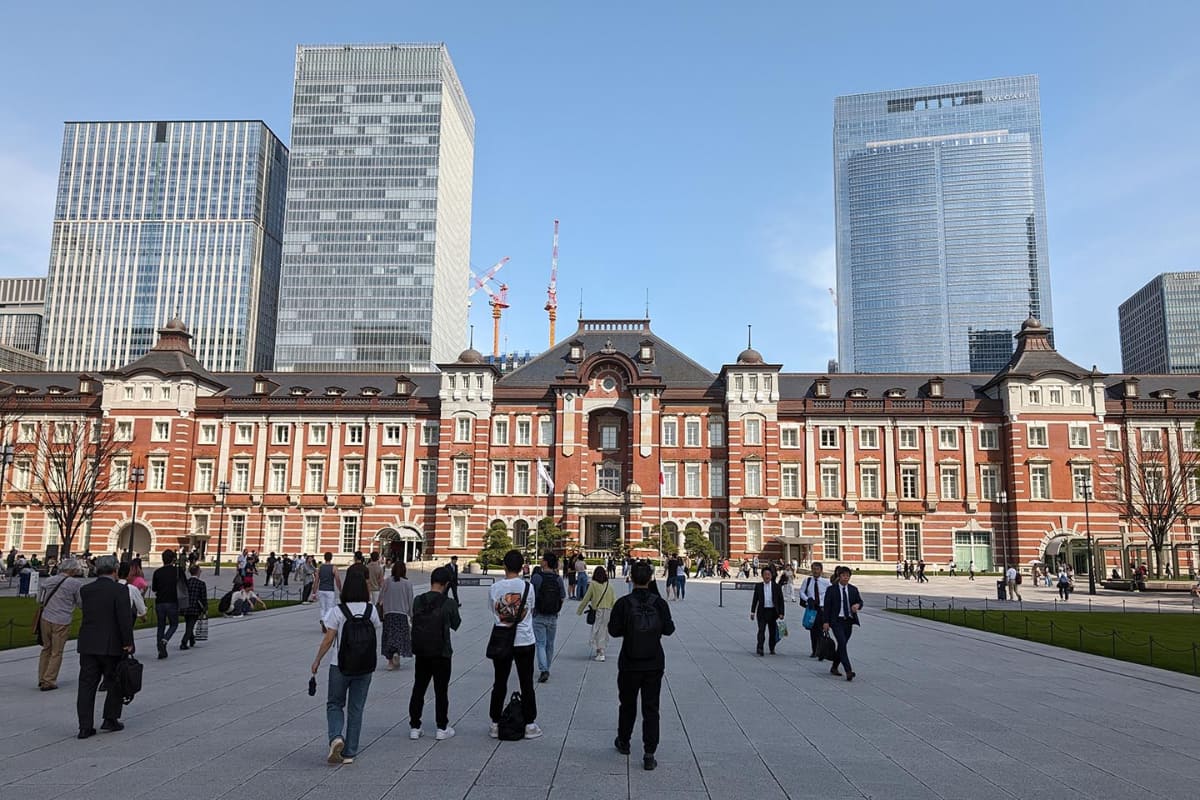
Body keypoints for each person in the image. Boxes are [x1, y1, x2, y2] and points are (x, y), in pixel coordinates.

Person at [608, 561, 674, 771]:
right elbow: (669, 630)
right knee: (651, 707)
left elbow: (614, 631)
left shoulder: (623, 603)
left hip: (629, 661)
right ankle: (649, 752)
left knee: (627, 704)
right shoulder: (660, 603)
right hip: (654, 662)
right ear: (650, 578)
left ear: (631, 578)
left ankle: (624, 741)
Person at [311, 569, 381, 764]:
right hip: (365, 666)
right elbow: (374, 630)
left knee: (334, 704)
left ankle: (336, 738)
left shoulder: (337, 611)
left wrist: (317, 660)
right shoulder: (371, 610)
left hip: (339, 664)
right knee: (356, 708)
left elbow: (328, 639)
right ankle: (350, 752)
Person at [76, 556, 135, 738]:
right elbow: (124, 620)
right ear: (115, 570)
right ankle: (110, 719)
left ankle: (85, 726)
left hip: (88, 643)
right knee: (114, 682)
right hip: (112, 644)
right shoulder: (120, 590)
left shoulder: (86, 589)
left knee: (86, 685)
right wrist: (128, 643)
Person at [487, 549, 541, 739]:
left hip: (502, 640)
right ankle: (529, 725)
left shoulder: (495, 588)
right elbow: (531, 610)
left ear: (504, 566)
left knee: (499, 681)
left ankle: (495, 723)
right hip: (525, 640)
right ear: (522, 567)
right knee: (526, 682)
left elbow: (494, 612)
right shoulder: (528, 587)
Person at [408, 566, 462, 741]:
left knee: (419, 687)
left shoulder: (418, 600)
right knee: (441, 690)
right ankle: (441, 727)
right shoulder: (449, 603)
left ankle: (415, 726)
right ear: (446, 584)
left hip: (422, 651)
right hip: (442, 652)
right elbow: (456, 624)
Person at [36, 558, 84, 691]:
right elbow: (80, 603)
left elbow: (39, 599)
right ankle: (49, 680)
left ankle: (42, 677)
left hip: (45, 618)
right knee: (57, 652)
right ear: (72, 569)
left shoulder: (48, 580)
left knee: (46, 648)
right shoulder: (75, 584)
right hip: (62, 620)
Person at [822, 566, 863, 681]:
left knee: (842, 645)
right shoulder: (831, 589)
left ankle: (834, 667)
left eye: (848, 576)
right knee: (842, 642)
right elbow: (827, 607)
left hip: (848, 621)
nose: (846, 578)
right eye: (844, 575)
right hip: (836, 621)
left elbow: (860, 601)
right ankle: (848, 670)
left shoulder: (853, 589)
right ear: (839, 576)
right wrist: (826, 622)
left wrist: (857, 605)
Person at [531, 551, 566, 683]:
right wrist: (557, 610)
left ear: (545, 562)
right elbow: (562, 597)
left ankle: (543, 669)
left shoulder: (536, 577)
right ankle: (547, 668)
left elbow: (531, 596)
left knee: (540, 643)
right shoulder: (558, 579)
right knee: (550, 644)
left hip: (539, 614)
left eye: (542, 559)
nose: (541, 560)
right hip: (553, 616)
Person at [379, 561, 414, 669]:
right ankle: (397, 653)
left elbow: (381, 597)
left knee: (389, 637)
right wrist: (411, 615)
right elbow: (410, 600)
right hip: (402, 614)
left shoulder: (387, 581)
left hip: (389, 614)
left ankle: (390, 662)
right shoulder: (407, 583)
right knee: (399, 637)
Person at [577, 565, 616, 661]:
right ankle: (600, 650)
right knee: (603, 630)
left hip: (598, 610)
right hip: (608, 610)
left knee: (597, 630)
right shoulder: (609, 585)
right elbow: (614, 600)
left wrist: (580, 610)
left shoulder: (593, 584)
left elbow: (586, 598)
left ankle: (600, 651)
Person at [150, 550, 183, 660]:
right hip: (172, 601)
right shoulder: (177, 571)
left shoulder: (157, 572)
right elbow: (183, 585)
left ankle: (160, 649)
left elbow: (154, 588)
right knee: (174, 624)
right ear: (173, 559)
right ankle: (164, 640)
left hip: (160, 601)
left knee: (161, 625)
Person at [799, 562, 832, 660]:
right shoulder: (807, 581)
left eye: (817, 569)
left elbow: (831, 593)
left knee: (821, 630)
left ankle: (821, 650)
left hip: (822, 608)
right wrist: (807, 599)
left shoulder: (826, 582)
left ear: (821, 570)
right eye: (814, 569)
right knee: (813, 630)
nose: (815, 571)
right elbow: (801, 592)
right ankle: (814, 650)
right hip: (812, 608)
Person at [750, 566, 785, 656]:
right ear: (762, 576)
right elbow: (755, 600)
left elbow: (781, 600)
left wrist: (781, 613)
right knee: (761, 630)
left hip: (773, 612)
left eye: (769, 574)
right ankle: (760, 647)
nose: (767, 576)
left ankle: (772, 648)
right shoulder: (758, 586)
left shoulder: (776, 587)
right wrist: (752, 612)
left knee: (772, 631)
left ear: (771, 575)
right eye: (765, 574)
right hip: (762, 612)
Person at [181, 564, 208, 649]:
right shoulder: (201, 584)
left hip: (186, 606)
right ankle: (184, 642)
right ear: (197, 572)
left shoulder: (187, 582)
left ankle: (192, 639)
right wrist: (205, 608)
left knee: (189, 624)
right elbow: (203, 597)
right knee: (190, 625)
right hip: (195, 607)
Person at [317, 553, 342, 629]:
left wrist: (314, 591)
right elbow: (337, 579)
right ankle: (325, 621)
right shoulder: (334, 568)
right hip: (330, 590)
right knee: (330, 608)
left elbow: (316, 580)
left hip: (321, 589)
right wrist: (340, 589)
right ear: (331, 558)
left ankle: (322, 619)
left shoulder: (320, 568)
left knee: (322, 607)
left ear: (324, 558)